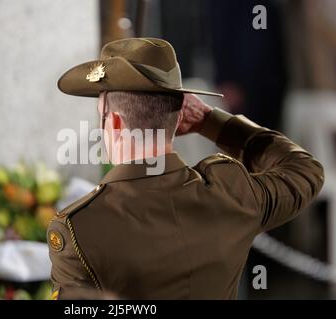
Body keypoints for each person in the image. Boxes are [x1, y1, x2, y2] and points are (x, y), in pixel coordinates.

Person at [47, 38, 324, 299]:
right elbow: (305, 169)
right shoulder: (232, 193)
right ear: (180, 116)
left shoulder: (78, 229)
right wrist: (211, 122)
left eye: (102, 117)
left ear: (116, 124)